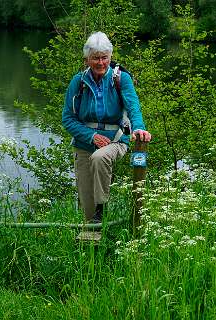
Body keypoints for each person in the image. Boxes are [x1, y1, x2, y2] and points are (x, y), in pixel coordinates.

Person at [62, 31, 151, 223]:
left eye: (104, 57)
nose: (101, 62)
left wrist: (139, 128)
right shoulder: (78, 82)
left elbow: (133, 105)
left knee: (100, 157)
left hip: (116, 140)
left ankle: (101, 207)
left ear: (110, 57)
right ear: (87, 59)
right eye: (95, 58)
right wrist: (91, 136)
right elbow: (68, 118)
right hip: (84, 144)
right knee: (87, 208)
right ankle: (95, 246)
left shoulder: (120, 79)